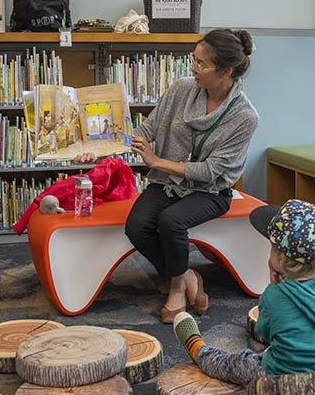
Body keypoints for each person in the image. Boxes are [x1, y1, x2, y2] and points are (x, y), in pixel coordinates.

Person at [81, 29, 259, 323]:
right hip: (169, 184)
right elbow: (146, 130)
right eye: (194, 59)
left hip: (211, 191)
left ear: (226, 71)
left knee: (171, 221)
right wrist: (97, 148)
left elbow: (212, 171)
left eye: (202, 63)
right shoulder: (181, 89)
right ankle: (187, 274)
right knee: (136, 226)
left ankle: (176, 288)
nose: (193, 68)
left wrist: (157, 162)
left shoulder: (244, 117)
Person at [173, 199, 315, 385]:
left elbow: (264, 331)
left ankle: (197, 347)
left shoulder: (274, 294)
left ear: (281, 257)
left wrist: (275, 286)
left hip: (283, 379)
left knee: (231, 364)